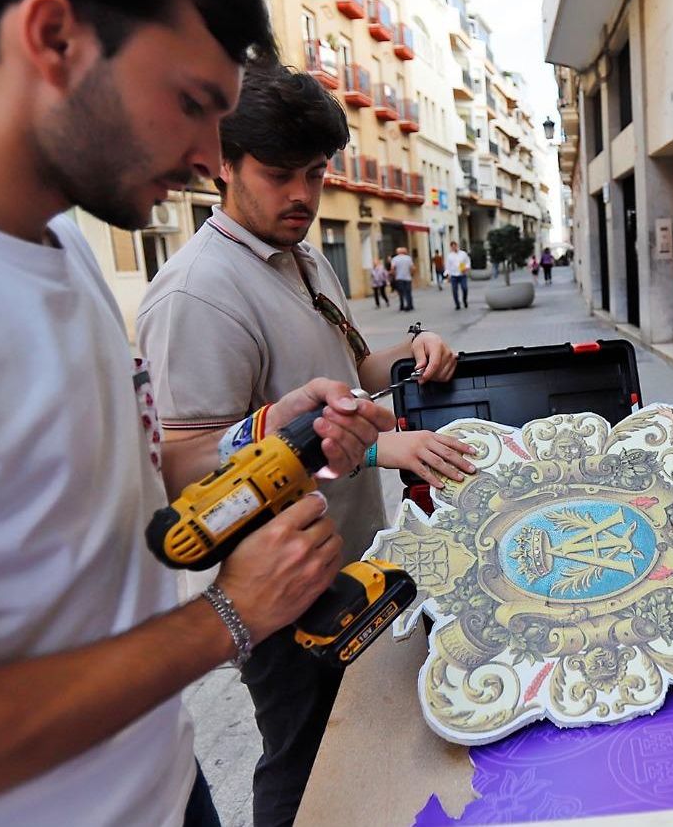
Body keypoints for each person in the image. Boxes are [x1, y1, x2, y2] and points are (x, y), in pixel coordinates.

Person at [0, 0, 392, 823]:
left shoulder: (56, 238)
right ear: (53, 39)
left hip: (165, 786)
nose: (209, 160)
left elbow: (144, 485)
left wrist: (274, 433)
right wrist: (227, 618)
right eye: (191, 102)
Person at [136, 64, 470, 826]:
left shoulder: (301, 255)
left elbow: (353, 376)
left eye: (315, 173)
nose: (303, 195)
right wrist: (375, 450)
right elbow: (182, 468)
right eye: (279, 173)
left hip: (349, 558)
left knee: (356, 749)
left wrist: (412, 355)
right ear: (224, 165)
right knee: (303, 764)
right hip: (276, 588)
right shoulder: (198, 293)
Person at [446, 239, 472, 309]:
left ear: (457, 246)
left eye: (455, 246)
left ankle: (464, 300)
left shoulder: (463, 254)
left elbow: (468, 262)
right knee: (454, 291)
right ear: (451, 247)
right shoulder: (449, 256)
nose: (454, 248)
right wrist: (447, 275)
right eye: (452, 247)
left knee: (465, 288)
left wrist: (466, 268)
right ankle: (457, 304)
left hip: (462, 274)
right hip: (454, 275)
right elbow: (448, 267)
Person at [390, 245, 414, 311]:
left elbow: (392, 269)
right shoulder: (408, 258)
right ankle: (410, 305)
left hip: (399, 278)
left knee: (401, 293)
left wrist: (394, 276)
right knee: (408, 292)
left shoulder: (395, 259)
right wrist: (411, 274)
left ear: (397, 252)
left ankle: (402, 305)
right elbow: (413, 268)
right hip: (408, 278)